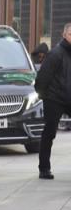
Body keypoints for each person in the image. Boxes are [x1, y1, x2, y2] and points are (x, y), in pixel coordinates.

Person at [35, 22, 71, 179]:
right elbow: (42, 78)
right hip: (54, 99)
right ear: (64, 35)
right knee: (49, 132)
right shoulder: (55, 53)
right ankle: (44, 168)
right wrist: (43, 96)